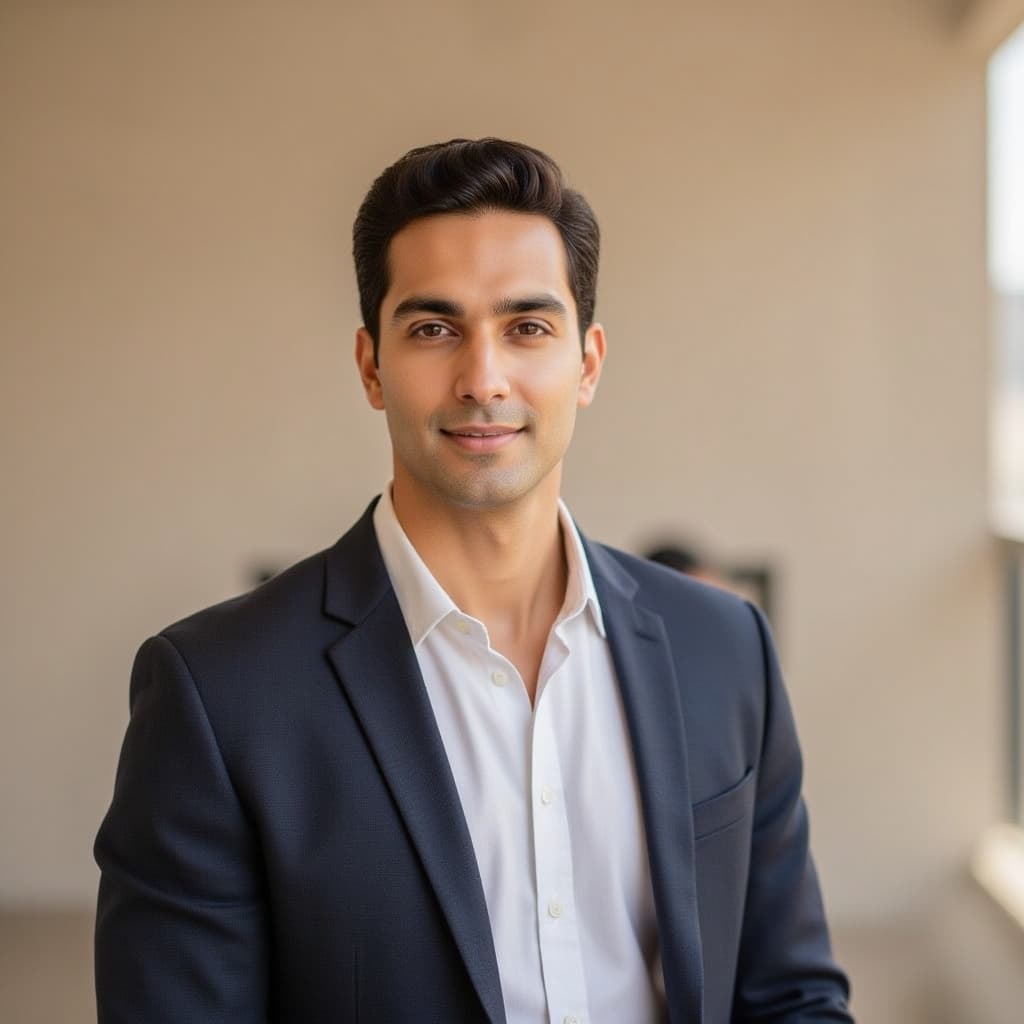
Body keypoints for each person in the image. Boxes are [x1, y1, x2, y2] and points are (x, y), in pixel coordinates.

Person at [94, 138, 853, 1023]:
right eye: (433, 329)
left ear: (589, 362)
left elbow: (791, 996)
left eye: (527, 327)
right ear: (372, 366)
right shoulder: (217, 693)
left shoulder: (725, 649)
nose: (482, 378)